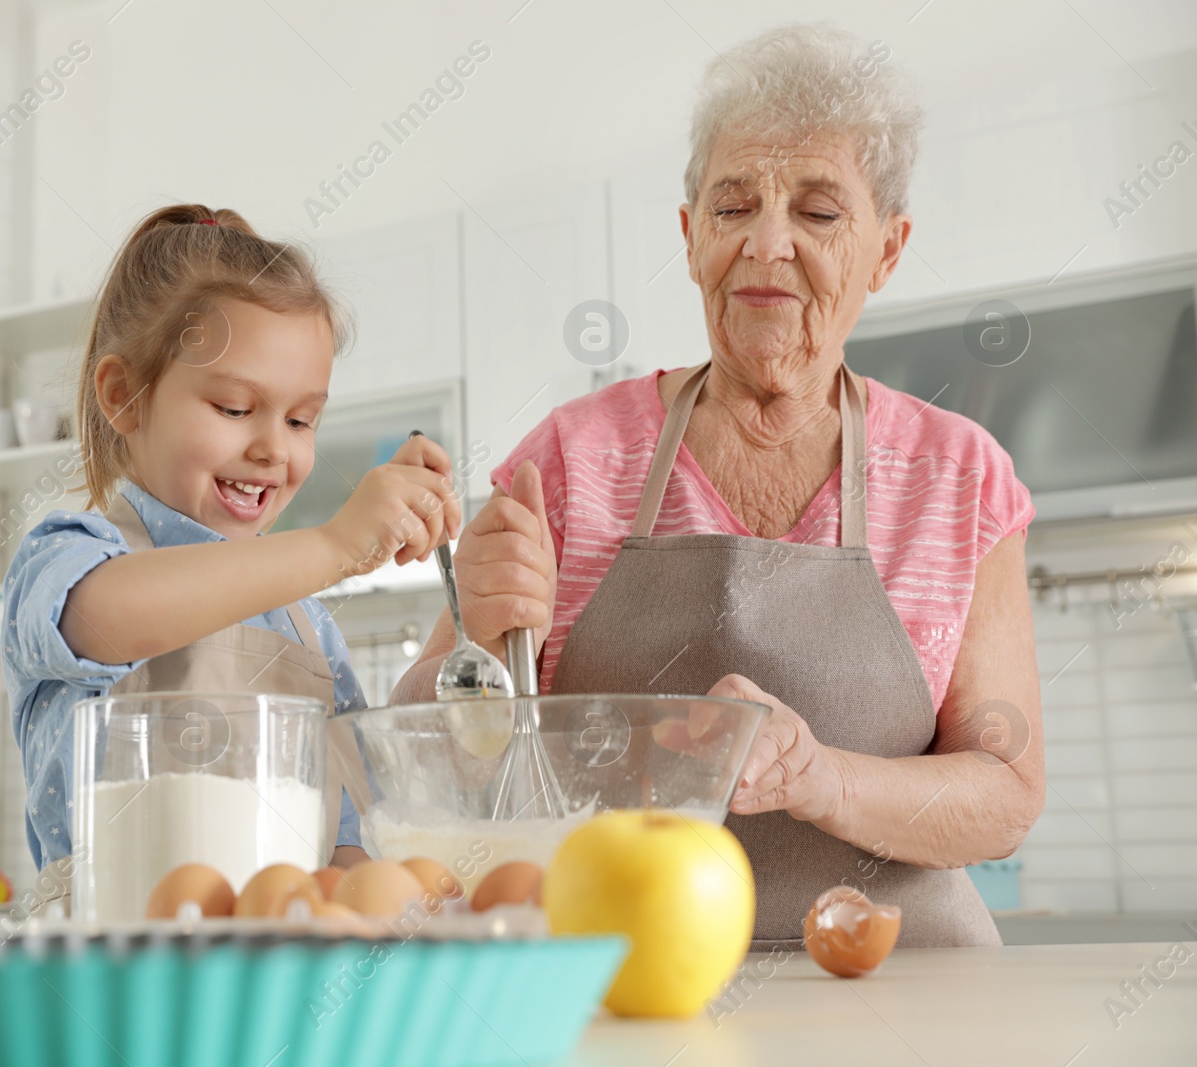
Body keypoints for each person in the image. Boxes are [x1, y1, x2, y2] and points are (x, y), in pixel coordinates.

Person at [392, 26, 1045, 949]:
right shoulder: (571, 459)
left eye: (818, 212)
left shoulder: (960, 478)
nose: (767, 244)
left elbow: (1006, 792)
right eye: (735, 206)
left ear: (886, 252)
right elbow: (429, 757)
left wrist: (823, 779)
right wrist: (481, 645)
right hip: (623, 991)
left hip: (908, 993)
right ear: (692, 236)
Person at [4, 203, 460, 895]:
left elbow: (345, 834)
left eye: (302, 418)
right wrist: (336, 543)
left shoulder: (308, 626)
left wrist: (390, 897)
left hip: (275, 959)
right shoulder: (71, 558)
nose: (274, 447)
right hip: (114, 955)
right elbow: (100, 621)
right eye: (235, 409)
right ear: (124, 397)